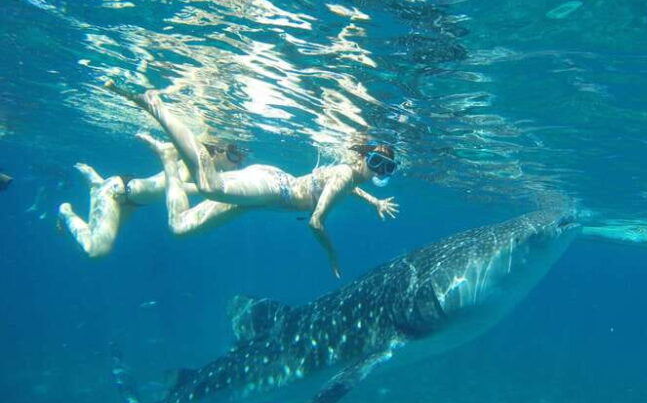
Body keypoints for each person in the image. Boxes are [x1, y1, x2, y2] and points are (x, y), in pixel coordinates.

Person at [106, 81, 400, 278]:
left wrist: (374, 201)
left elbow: (342, 189)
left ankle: (170, 160)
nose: (377, 172)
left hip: (263, 197)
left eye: (385, 168)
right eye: (375, 163)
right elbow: (316, 222)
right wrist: (332, 254)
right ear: (362, 158)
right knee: (211, 186)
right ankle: (156, 107)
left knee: (180, 227)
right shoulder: (347, 175)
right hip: (274, 188)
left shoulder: (349, 179)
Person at [57, 144, 244, 258]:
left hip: (130, 200)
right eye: (234, 155)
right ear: (219, 151)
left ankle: (96, 183)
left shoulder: (207, 173)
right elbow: (181, 187)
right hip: (116, 193)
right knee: (96, 250)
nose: (237, 163)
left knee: (94, 235)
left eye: (241, 159)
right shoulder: (194, 163)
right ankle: (66, 212)